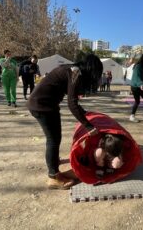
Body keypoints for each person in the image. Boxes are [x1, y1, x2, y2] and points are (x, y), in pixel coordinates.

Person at [27, 54, 103, 189]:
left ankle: (54, 162)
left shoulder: (72, 69)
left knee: (56, 138)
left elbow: (74, 101)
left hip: (46, 105)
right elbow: (72, 104)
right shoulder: (75, 73)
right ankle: (53, 177)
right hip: (42, 106)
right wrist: (88, 126)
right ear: (91, 69)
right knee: (53, 140)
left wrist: (85, 114)